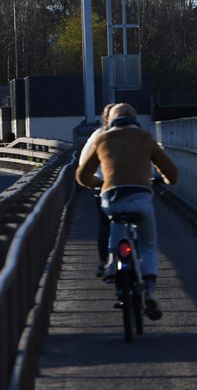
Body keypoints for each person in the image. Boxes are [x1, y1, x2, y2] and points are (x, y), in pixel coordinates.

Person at [76, 103, 179, 319]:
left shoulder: (101, 139)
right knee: (148, 245)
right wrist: (166, 180)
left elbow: (82, 176)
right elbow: (171, 173)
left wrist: (96, 183)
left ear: (110, 121)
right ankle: (149, 289)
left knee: (113, 219)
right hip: (140, 197)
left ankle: (113, 261)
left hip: (111, 197)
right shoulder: (145, 138)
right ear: (135, 119)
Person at [80, 103, 114, 277]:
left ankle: (103, 261)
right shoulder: (138, 135)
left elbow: (83, 164)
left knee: (105, 225)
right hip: (137, 189)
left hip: (104, 188)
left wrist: (91, 182)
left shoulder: (98, 136)